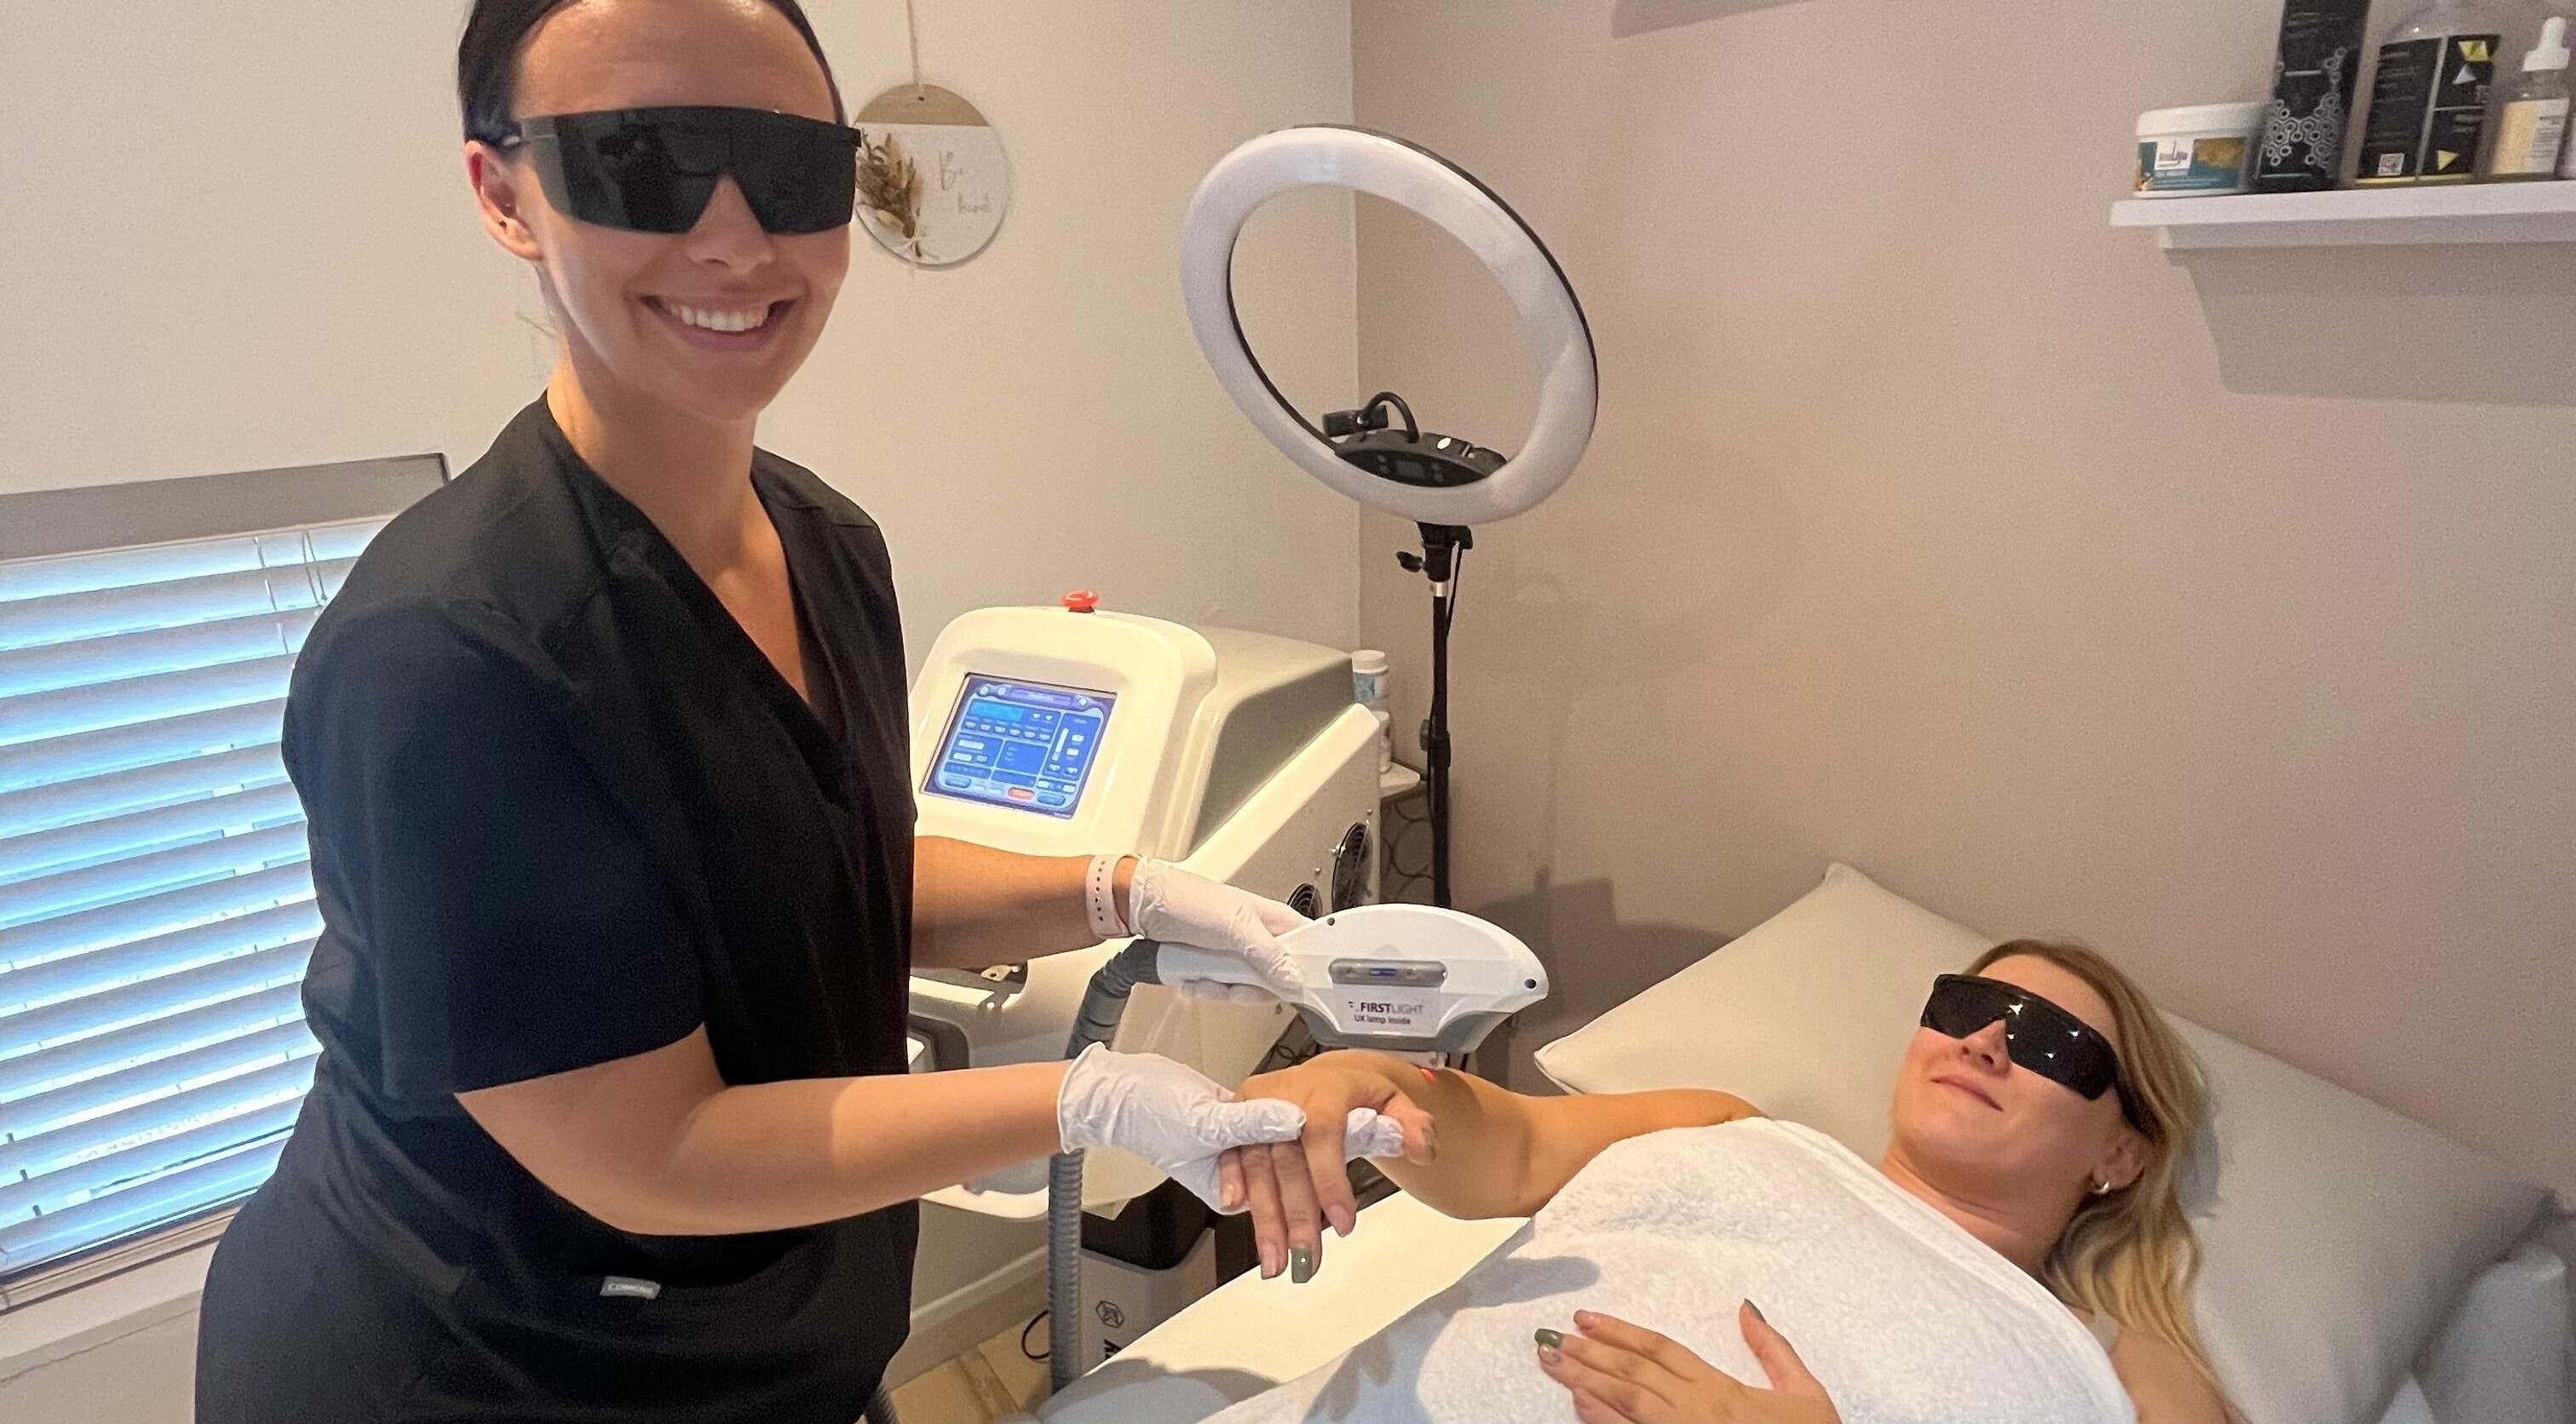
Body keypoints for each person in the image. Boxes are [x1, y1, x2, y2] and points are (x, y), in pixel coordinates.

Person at [191, 3, 1423, 1420]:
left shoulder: (823, 543)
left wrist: (1125, 891)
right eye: (640, 160)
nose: (734, 240)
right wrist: (1091, 1101)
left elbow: (825, 879)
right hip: (484, 1366)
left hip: (764, 1336)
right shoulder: (448, 658)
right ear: (504, 192)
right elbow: (651, 1148)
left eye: (787, 167)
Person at [1228, 939, 2239, 1424]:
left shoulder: (2100, 1360)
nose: (1984, 1042)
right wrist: (1369, 1082)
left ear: (2121, 1155)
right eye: (1967, 1006)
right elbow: (1513, 1149)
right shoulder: (1734, 1126)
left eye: (2053, 1044)